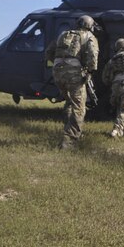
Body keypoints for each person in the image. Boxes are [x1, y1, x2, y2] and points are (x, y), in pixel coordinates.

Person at [45, 15, 99, 150]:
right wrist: (89, 71)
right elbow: (93, 56)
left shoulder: (63, 34)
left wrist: (59, 63)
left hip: (57, 71)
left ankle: (69, 130)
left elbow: (49, 52)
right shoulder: (88, 36)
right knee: (79, 107)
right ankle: (69, 141)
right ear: (90, 25)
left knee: (70, 101)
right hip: (74, 74)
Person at [101, 37, 124, 138]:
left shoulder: (112, 60)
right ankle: (116, 130)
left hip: (115, 84)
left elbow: (105, 77)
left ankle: (123, 130)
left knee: (119, 108)